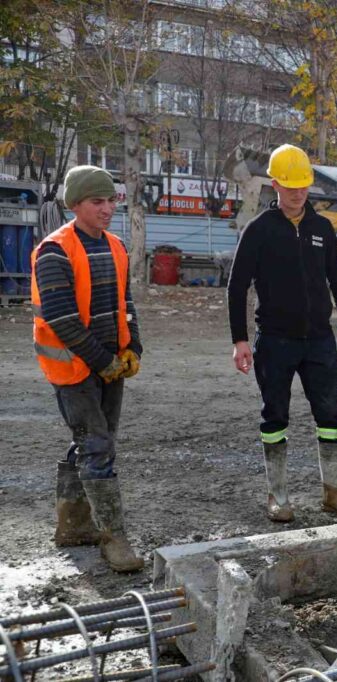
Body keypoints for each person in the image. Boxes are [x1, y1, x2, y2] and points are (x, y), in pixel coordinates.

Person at [228, 144, 337, 523]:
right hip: (275, 340)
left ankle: (335, 495)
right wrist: (240, 339)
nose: (298, 194)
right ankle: (278, 496)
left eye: (304, 186)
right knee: (275, 416)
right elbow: (237, 286)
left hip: (319, 341)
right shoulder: (259, 230)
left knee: (330, 415)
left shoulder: (321, 228)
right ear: (275, 184)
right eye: (291, 186)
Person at [31, 165, 144, 572]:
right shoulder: (54, 251)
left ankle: (74, 526)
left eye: (112, 200)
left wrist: (134, 346)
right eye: (98, 201)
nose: (108, 208)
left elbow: (125, 305)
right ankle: (113, 537)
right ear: (75, 204)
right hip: (74, 368)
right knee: (96, 445)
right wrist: (104, 361)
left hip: (108, 364)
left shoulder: (115, 246)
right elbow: (61, 319)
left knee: (96, 441)